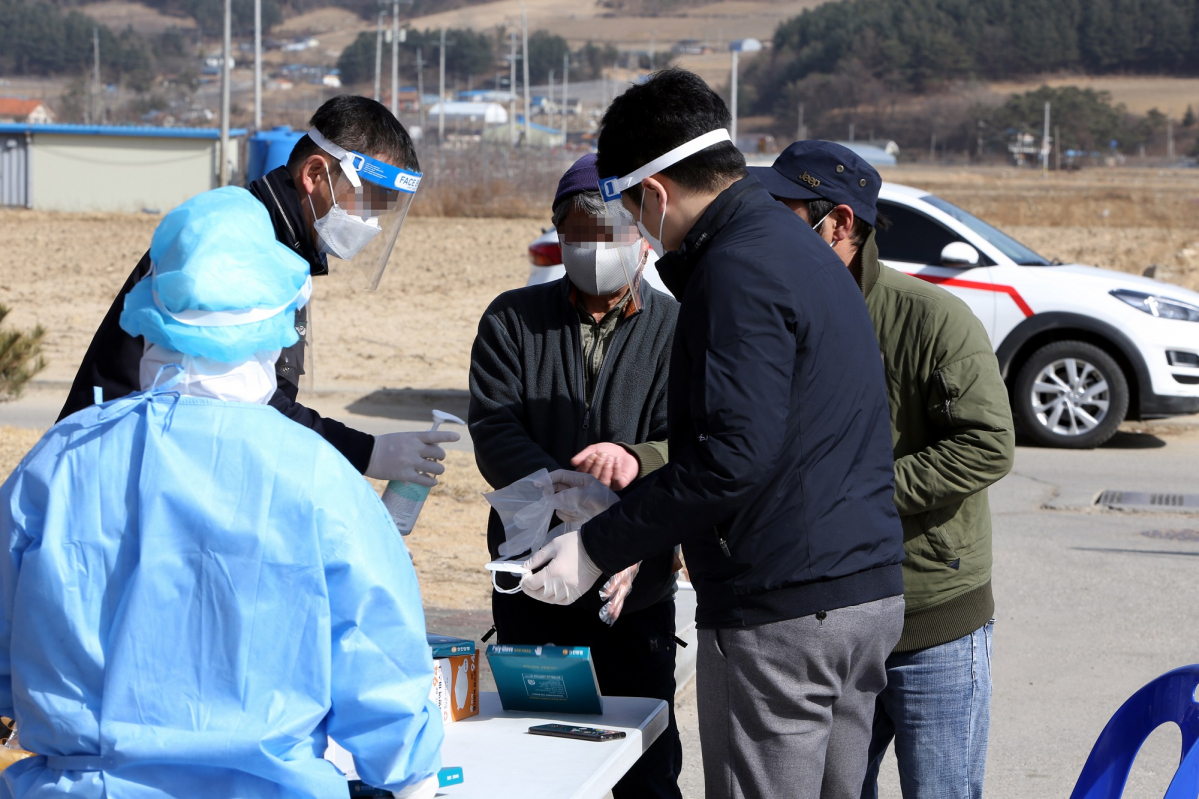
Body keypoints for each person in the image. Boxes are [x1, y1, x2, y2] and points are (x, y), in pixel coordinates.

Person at [520, 67, 907, 799]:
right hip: (862, 594)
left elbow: (732, 454)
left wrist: (601, 543)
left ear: (656, 192)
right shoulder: (801, 250)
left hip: (783, 610)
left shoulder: (735, 269)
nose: (635, 226)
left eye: (630, 207)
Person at [0, 187, 443, 799]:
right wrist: (411, 773)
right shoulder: (318, 476)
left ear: (150, 308)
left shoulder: (58, 464)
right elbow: (381, 673)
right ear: (278, 318)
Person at [749, 140, 1015, 799]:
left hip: (934, 619)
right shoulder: (770, 318)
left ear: (839, 224)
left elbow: (985, 443)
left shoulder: (931, 318)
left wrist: (860, 494)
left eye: (782, 214)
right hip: (826, 621)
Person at [57, 95, 457, 488]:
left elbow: (264, 399)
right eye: (368, 201)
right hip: (113, 473)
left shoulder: (276, 247)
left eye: (381, 209)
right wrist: (365, 451)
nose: (370, 222)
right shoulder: (231, 243)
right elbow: (236, 404)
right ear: (315, 175)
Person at [468, 153, 683, 798]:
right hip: (531, 579)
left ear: (642, 240)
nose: (595, 250)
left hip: (634, 586)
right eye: (580, 237)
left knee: (641, 759)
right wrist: (565, 493)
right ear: (559, 237)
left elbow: (688, 442)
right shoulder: (511, 319)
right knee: (534, 757)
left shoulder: (679, 329)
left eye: (612, 234)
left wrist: (623, 527)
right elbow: (495, 429)